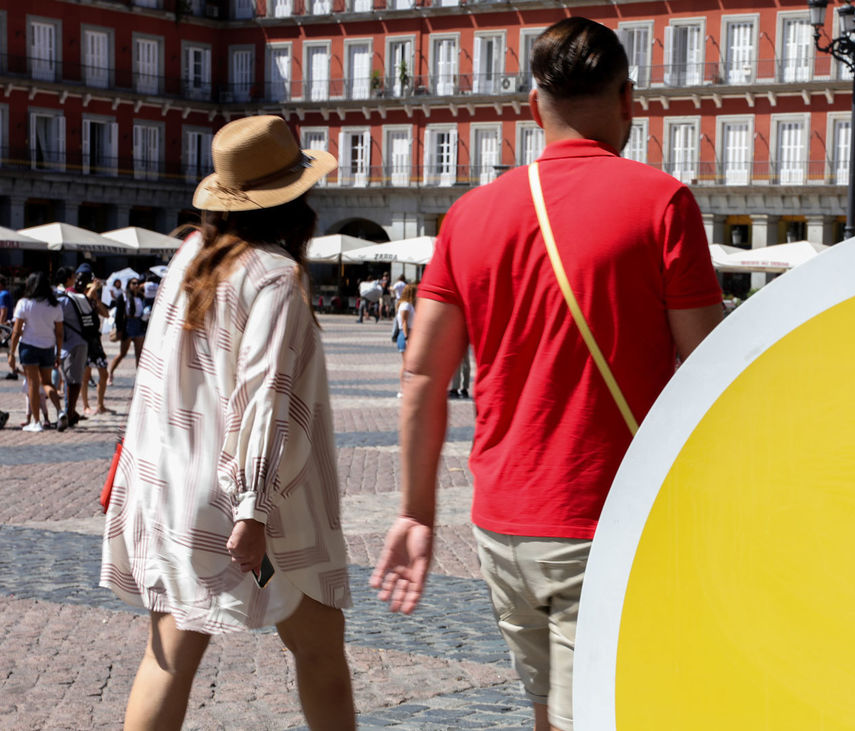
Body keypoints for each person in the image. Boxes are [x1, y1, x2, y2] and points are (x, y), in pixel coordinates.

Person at [370, 19, 723, 731]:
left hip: (501, 524)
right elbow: (715, 368)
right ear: (628, 99)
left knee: (551, 712)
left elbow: (422, 378)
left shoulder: (469, 215)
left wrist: (413, 511)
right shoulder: (661, 204)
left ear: (535, 106)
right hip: (607, 515)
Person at [100, 114, 355, 730]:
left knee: (170, 654)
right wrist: (253, 511)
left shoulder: (191, 257)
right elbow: (265, 396)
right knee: (320, 649)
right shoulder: (274, 274)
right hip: (260, 511)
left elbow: (159, 379)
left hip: (172, 492)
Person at [7, 271, 66, 432]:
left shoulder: (24, 303)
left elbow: (17, 331)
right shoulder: (55, 305)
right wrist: (58, 352)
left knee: (33, 384)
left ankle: (37, 421)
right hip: (48, 347)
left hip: (29, 347)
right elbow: (59, 333)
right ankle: (60, 411)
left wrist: (11, 353)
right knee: (47, 383)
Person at [54, 266, 93, 428]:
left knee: (72, 380)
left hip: (72, 343)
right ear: (69, 278)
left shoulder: (61, 298)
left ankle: (70, 412)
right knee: (72, 379)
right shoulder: (70, 297)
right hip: (77, 342)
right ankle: (70, 411)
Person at [80, 276, 113, 415]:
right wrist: (92, 289)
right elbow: (85, 301)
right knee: (86, 376)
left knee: (104, 373)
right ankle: (85, 405)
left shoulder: (94, 303)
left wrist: (97, 300)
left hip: (96, 342)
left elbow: (106, 314)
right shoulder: (81, 302)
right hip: (85, 341)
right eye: (90, 289)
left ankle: (100, 404)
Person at [108, 278, 146, 384]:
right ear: (129, 284)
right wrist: (120, 329)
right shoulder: (124, 296)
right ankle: (110, 373)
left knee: (139, 354)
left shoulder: (140, 297)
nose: (136, 285)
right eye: (134, 283)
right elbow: (118, 314)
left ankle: (139, 378)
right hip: (128, 325)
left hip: (138, 325)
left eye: (138, 283)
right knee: (123, 353)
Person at [394, 283, 417, 397]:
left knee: (410, 364)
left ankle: (409, 388)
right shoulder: (406, 305)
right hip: (406, 334)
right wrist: (407, 338)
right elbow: (404, 322)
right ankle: (403, 389)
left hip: (409, 333)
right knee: (406, 364)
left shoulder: (408, 305)